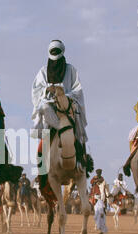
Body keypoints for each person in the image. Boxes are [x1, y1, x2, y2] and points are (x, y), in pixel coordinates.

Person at [31, 39, 89, 169]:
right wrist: (47, 89)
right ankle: (42, 164)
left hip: (67, 105)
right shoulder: (43, 71)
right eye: (53, 52)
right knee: (44, 109)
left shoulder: (70, 69)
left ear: (62, 52)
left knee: (77, 126)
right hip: (50, 105)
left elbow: (78, 89)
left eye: (57, 52)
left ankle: (81, 158)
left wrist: (64, 95)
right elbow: (36, 90)